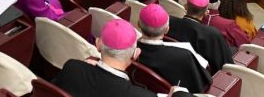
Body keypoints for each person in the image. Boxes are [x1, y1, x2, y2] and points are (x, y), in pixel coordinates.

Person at [53, 20, 192, 97]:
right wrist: (180, 94)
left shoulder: (71, 67)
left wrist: (81, 68)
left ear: (98, 44)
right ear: (136, 54)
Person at [137, 4, 212, 93]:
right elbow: (201, 86)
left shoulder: (127, 51)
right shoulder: (184, 56)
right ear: (167, 30)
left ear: (138, 24)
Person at [166, 0, 233, 74]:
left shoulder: (169, 22)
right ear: (206, 12)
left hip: (171, 67)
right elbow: (225, 66)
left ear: (185, 7)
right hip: (199, 76)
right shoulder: (212, 34)